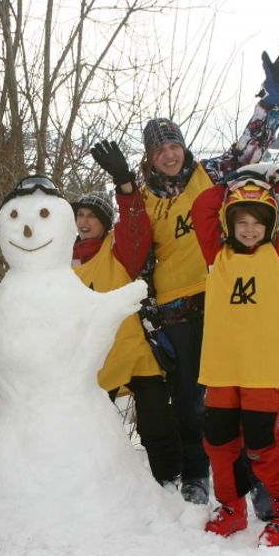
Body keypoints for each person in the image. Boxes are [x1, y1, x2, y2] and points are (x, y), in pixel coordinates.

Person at [139, 43, 279, 506]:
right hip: (174, 308)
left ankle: (261, 483)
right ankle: (198, 474)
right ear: (150, 157)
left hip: (225, 300)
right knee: (192, 400)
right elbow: (138, 256)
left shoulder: (211, 175)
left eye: (174, 144)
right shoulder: (145, 200)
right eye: (160, 149)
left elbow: (253, 145)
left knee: (242, 393)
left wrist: (273, 95)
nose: (170, 155)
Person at [191, 163, 279, 546]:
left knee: (261, 442)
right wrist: (229, 182)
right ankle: (232, 507)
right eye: (240, 220)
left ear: (270, 225)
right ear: (228, 222)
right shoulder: (216, 255)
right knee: (218, 439)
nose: (248, 229)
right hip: (224, 366)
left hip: (265, 368)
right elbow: (201, 210)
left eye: (257, 221)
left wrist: (277, 179)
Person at [71, 141, 181, 484]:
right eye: (81, 215)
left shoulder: (119, 250)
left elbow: (137, 225)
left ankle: (169, 483)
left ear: (105, 223)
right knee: (84, 433)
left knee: (156, 427)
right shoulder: (61, 261)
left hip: (134, 351)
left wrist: (124, 183)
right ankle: (92, 489)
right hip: (92, 359)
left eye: (93, 216)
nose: (85, 221)